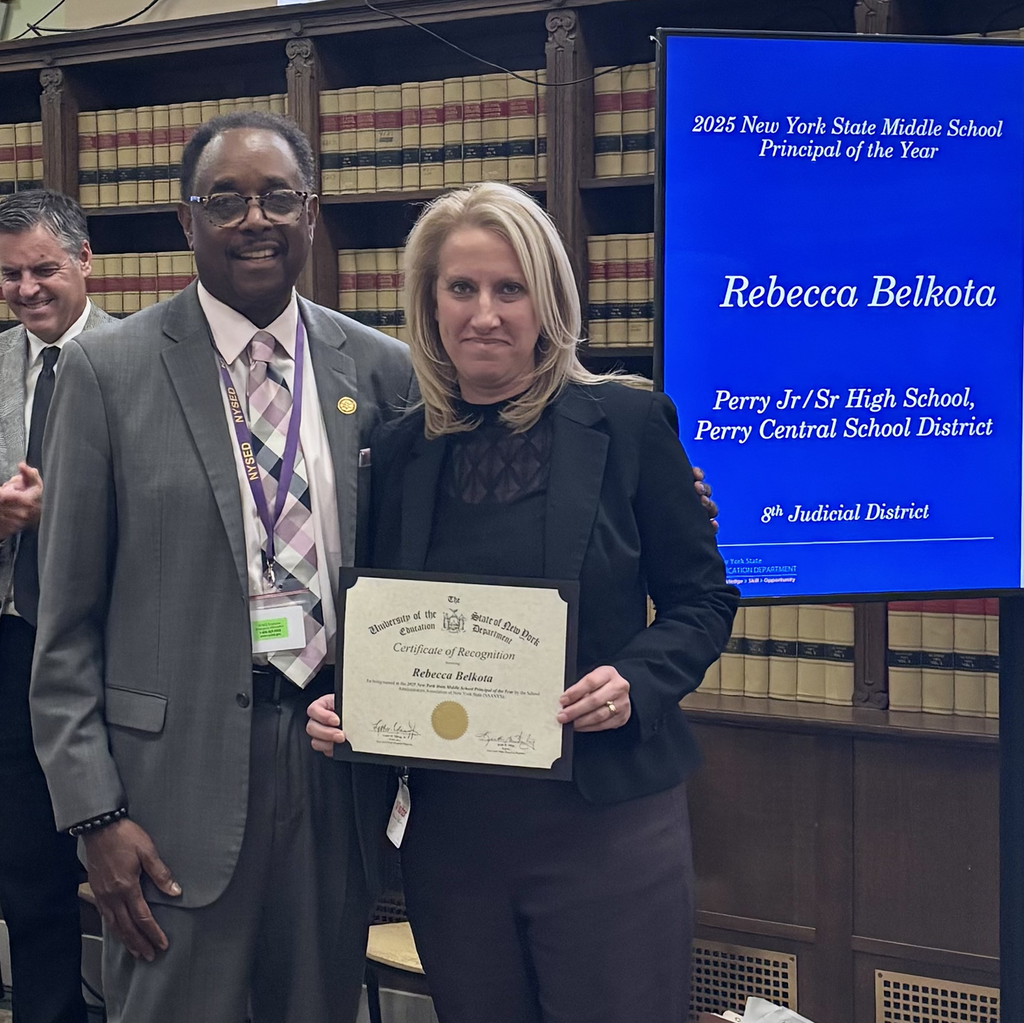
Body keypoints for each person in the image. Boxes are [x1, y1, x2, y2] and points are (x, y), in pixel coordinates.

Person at [307, 181, 738, 1023]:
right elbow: (383, 617)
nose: (485, 314)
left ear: (548, 302)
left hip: (605, 822)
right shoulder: (396, 450)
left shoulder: (627, 422)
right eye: (461, 288)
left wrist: (636, 679)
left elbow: (702, 599)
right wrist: (343, 700)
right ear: (430, 303)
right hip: (452, 836)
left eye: (510, 289)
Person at [29, 112, 415, 1023]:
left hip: (330, 770)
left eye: (278, 197)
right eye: (226, 200)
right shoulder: (106, 372)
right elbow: (65, 624)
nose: (255, 220)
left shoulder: (383, 370)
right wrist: (94, 815)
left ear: (310, 214)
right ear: (186, 219)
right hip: (167, 791)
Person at [0, 189, 110, 1023]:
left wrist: (58, 510)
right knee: (27, 869)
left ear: (84, 261)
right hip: (13, 643)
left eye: (43, 268)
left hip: (112, 646)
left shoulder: (140, 358)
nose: (28, 288)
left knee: (127, 857)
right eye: (11, 275)